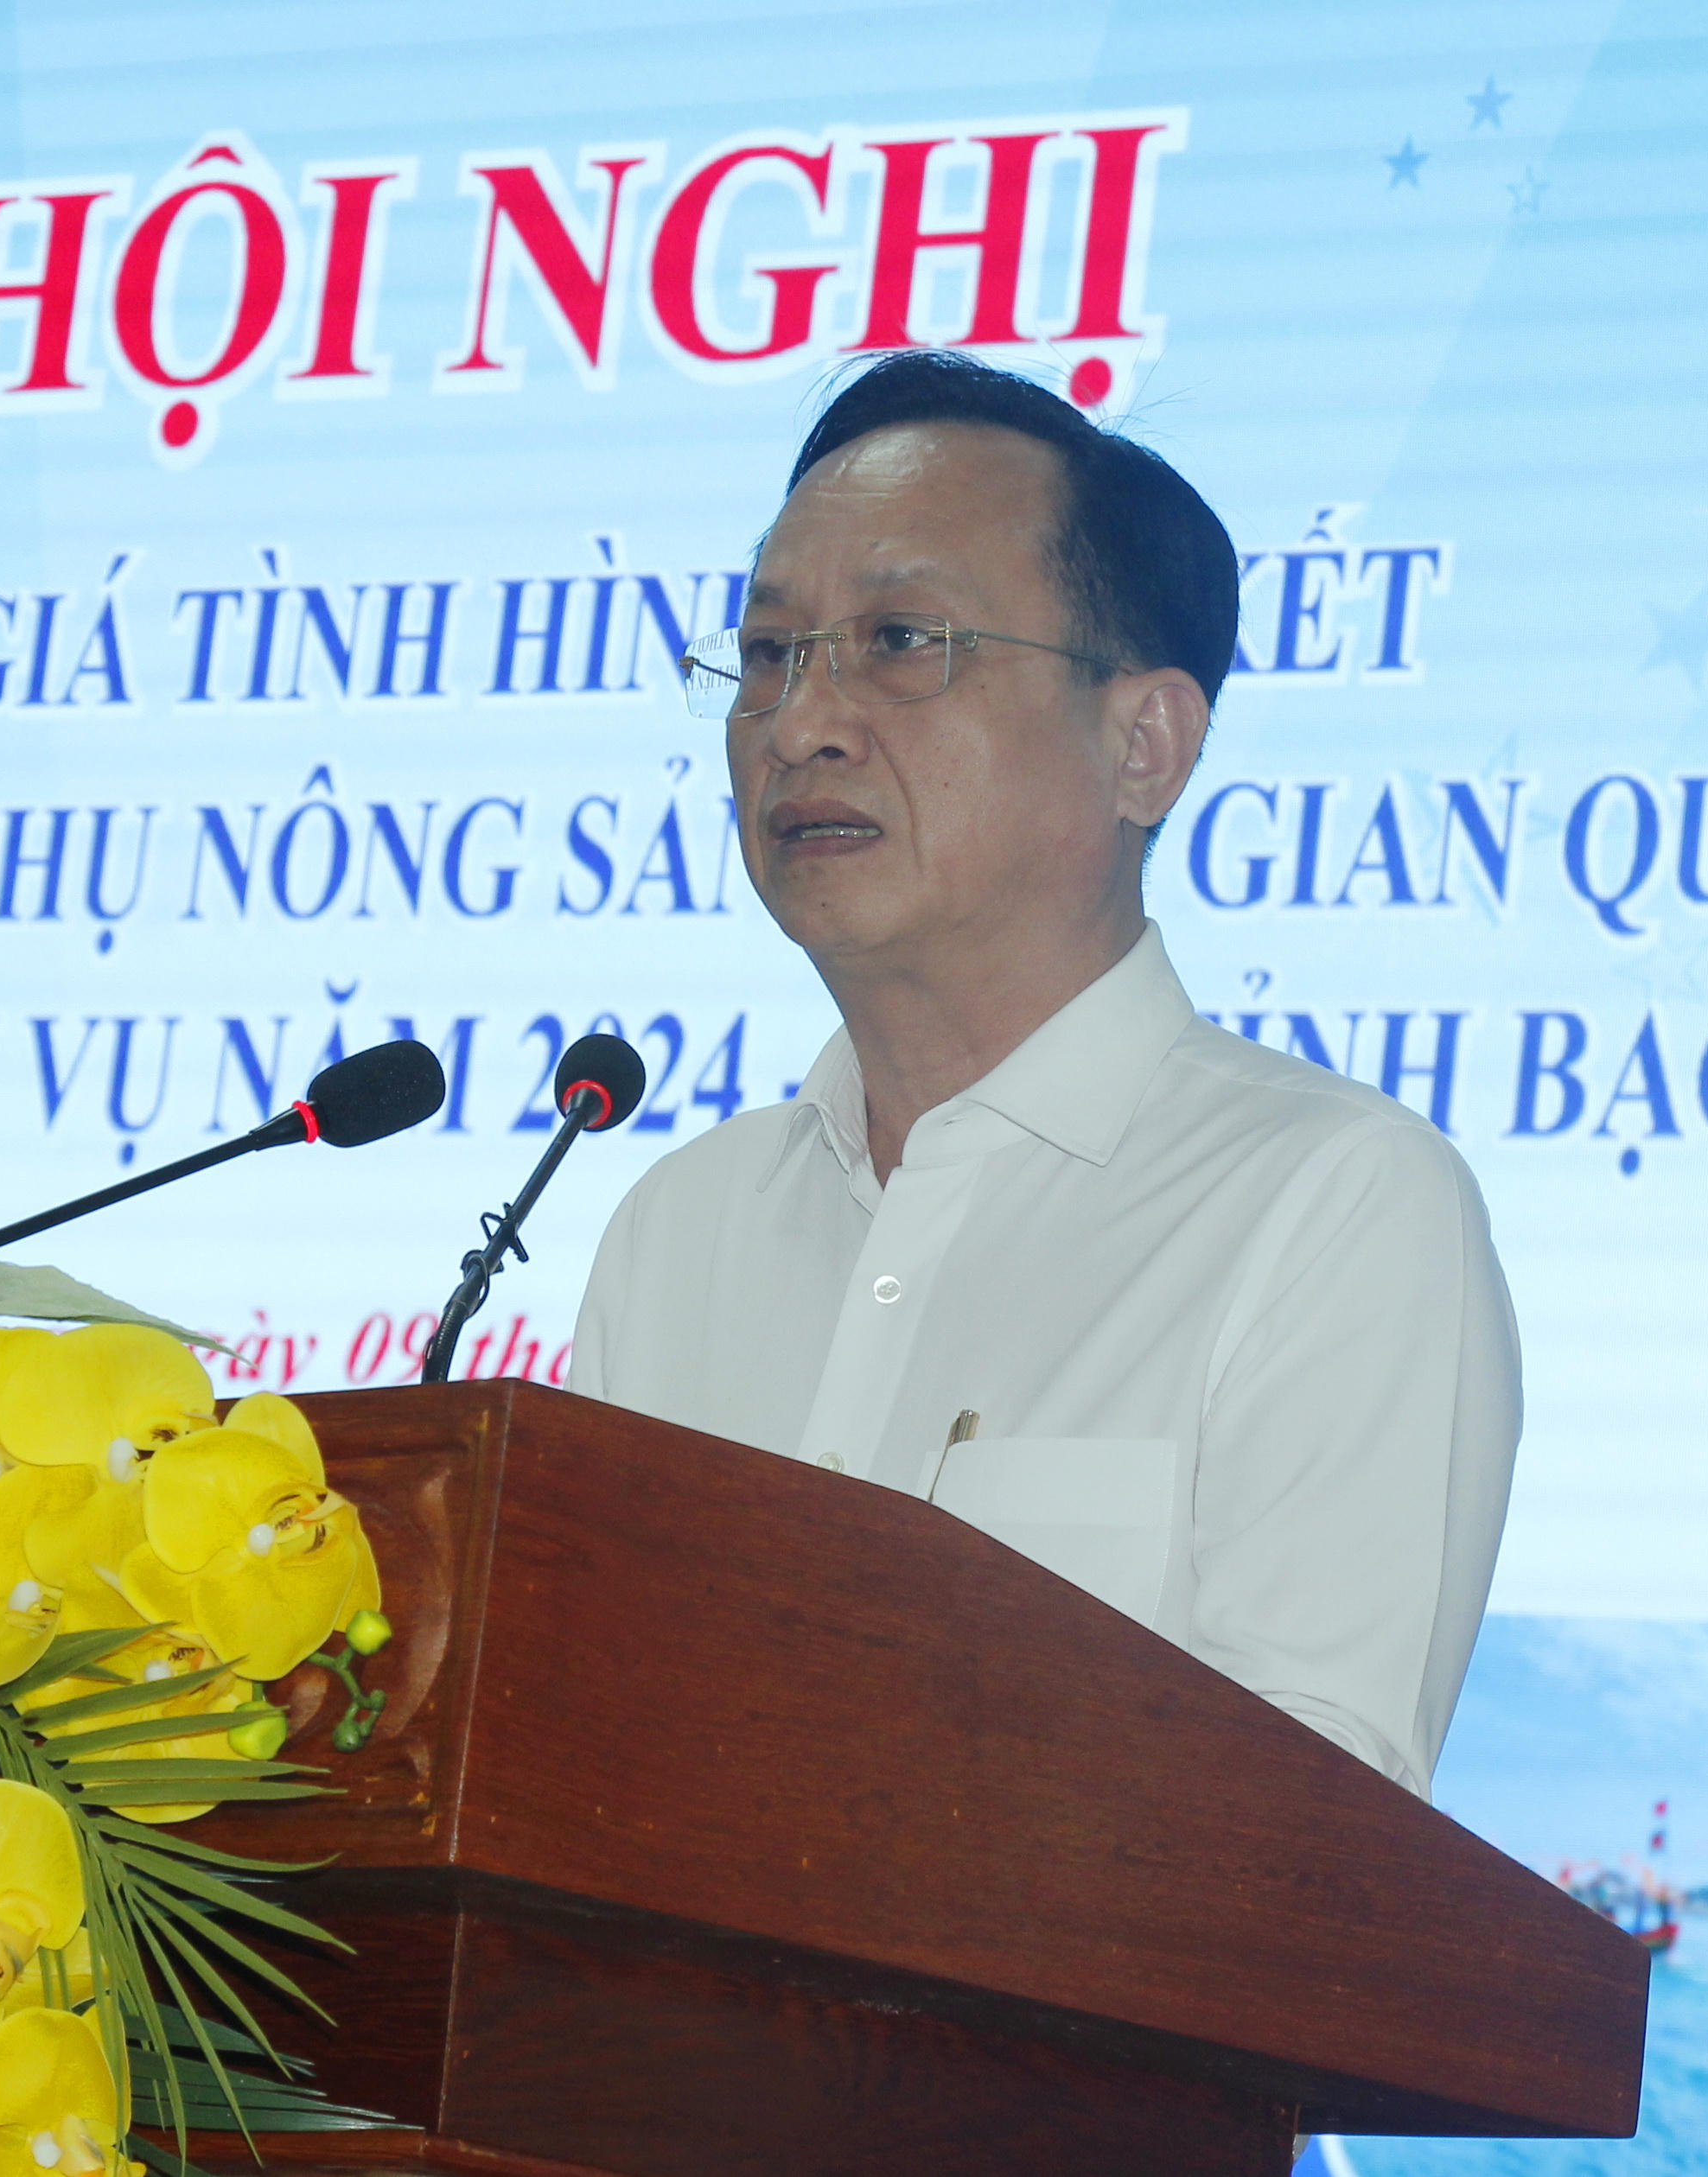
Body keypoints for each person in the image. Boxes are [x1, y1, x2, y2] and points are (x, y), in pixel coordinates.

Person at [568, 352, 1516, 1794]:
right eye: (769, 654)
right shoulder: (682, 1226)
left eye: (901, 641)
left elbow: (1307, 1847)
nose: (801, 724)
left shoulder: (1334, 1208)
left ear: (1146, 745)